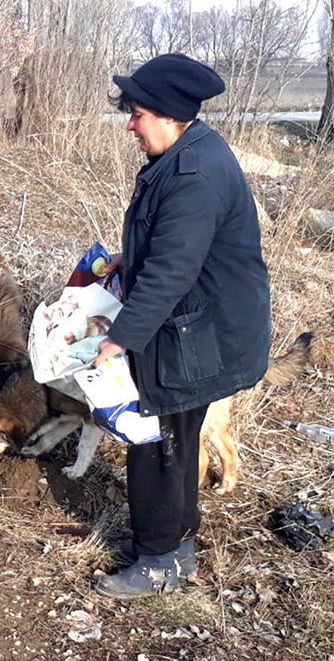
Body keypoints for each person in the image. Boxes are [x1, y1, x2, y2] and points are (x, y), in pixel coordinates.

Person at [90, 53, 271, 599]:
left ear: (168, 115)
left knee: (158, 440)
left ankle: (158, 560)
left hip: (201, 337)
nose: (130, 124)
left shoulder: (194, 175)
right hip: (200, 329)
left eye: (137, 113)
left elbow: (171, 274)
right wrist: (130, 256)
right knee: (176, 437)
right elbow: (173, 247)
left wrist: (118, 340)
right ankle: (178, 542)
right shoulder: (190, 152)